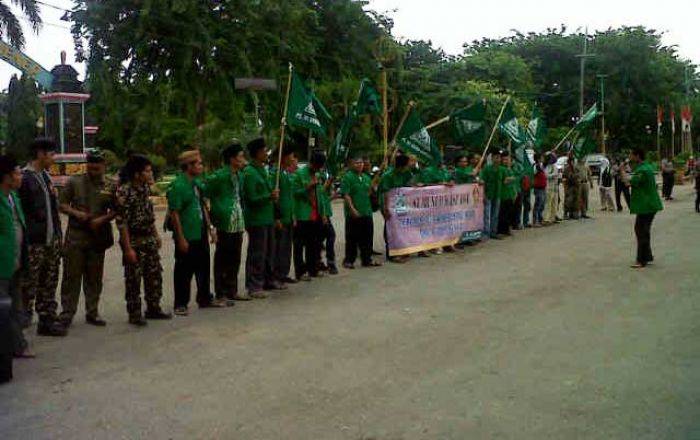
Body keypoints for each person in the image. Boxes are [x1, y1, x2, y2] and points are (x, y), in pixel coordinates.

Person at [58, 149, 115, 328]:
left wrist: (102, 219)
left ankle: (92, 311)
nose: (93, 172)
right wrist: (76, 213)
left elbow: (117, 209)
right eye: (90, 168)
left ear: (104, 167)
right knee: (71, 276)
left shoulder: (110, 185)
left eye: (97, 169)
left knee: (94, 277)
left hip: (97, 237)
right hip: (76, 236)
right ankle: (67, 312)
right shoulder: (74, 182)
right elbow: (61, 204)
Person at [115, 154, 171, 326]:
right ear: (137, 174)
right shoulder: (125, 192)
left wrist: (155, 234)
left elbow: (149, 215)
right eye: (147, 171)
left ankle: (153, 307)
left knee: (154, 275)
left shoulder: (145, 189)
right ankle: (135, 313)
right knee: (133, 279)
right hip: (134, 240)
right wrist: (128, 248)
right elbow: (122, 222)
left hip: (148, 239)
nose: (151, 173)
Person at [18, 138, 66, 336]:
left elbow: (53, 210)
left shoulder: (45, 177)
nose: (54, 158)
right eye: (51, 154)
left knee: (49, 280)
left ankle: (47, 319)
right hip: (34, 242)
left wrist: (57, 235)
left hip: (50, 240)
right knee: (28, 285)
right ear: (40, 154)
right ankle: (20, 327)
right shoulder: (24, 178)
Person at [168, 150, 220, 314]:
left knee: (203, 266)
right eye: (198, 163)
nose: (201, 166)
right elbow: (174, 214)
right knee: (184, 270)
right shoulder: (178, 185)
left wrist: (211, 228)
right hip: (187, 234)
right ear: (188, 166)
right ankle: (180, 303)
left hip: (200, 232)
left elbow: (203, 205)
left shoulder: (196, 183)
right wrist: (181, 238)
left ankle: (204, 297)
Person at [0, 155, 34, 383]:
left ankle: (16, 347)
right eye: (17, 173)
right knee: (3, 311)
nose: (21, 176)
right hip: (2, 263)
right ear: (6, 177)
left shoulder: (13, 197)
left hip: (16, 262)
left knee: (15, 308)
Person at [203, 142, 248, 304]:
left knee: (235, 256)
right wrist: (212, 212)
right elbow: (205, 191)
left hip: (237, 219)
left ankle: (232, 289)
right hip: (224, 219)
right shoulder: (220, 176)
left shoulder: (239, 175)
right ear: (232, 159)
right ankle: (220, 292)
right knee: (223, 256)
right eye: (240, 156)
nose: (243, 159)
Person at [241, 138, 281, 297]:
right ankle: (254, 286)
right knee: (257, 253)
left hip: (268, 217)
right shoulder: (249, 173)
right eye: (264, 151)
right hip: (256, 219)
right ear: (257, 153)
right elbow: (250, 198)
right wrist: (268, 197)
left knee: (268, 252)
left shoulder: (263, 169)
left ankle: (267, 280)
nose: (267, 154)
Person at [627, 148, 663, 269]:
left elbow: (628, 182)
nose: (629, 157)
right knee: (644, 231)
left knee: (641, 230)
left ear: (637, 156)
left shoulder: (642, 170)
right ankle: (647, 256)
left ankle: (641, 259)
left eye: (631, 155)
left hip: (646, 205)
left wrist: (621, 171)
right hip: (650, 204)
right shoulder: (647, 166)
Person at [342, 156, 381, 269]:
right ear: (351, 164)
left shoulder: (365, 177)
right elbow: (346, 195)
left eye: (361, 163)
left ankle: (366, 259)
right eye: (356, 163)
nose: (359, 165)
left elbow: (369, 191)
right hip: (353, 213)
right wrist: (352, 209)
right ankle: (349, 260)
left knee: (367, 237)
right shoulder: (348, 177)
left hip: (366, 211)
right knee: (352, 238)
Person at [292, 151, 326, 280]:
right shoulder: (299, 174)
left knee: (315, 244)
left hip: (316, 214)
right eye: (317, 166)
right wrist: (308, 187)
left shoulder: (317, 175)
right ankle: (300, 272)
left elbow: (320, 195)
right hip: (303, 215)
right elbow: (294, 193)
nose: (318, 169)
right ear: (312, 163)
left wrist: (323, 213)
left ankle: (313, 269)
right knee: (300, 245)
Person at [379, 153, 414, 262]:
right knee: (391, 226)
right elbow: (385, 193)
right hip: (388, 203)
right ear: (402, 165)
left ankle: (401, 250)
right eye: (408, 164)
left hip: (400, 203)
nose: (410, 166)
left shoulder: (406, 173)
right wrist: (385, 208)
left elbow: (410, 184)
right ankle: (391, 253)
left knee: (402, 227)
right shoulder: (388, 176)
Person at [270, 149, 295, 286]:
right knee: (278, 248)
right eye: (290, 155)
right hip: (280, 217)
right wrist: (277, 217)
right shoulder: (275, 174)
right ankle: (276, 275)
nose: (292, 158)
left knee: (286, 247)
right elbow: (274, 199)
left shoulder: (286, 173)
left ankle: (284, 273)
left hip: (289, 216)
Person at [317, 167, 338, 274]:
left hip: (325, 213)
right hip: (320, 214)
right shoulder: (316, 177)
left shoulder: (324, 175)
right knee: (330, 236)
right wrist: (328, 182)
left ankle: (321, 261)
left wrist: (332, 196)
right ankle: (329, 262)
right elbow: (319, 193)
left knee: (322, 238)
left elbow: (325, 197)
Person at [479, 151, 504, 239]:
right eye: (496, 157)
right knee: (487, 215)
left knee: (495, 215)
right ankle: (486, 232)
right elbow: (482, 181)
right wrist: (484, 194)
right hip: (488, 194)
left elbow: (506, 179)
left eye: (499, 158)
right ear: (492, 158)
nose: (498, 160)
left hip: (497, 194)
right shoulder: (487, 169)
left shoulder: (502, 169)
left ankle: (493, 232)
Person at [497, 152, 517, 237]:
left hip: (510, 194)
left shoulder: (509, 169)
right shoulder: (501, 169)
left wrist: (515, 192)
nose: (506, 161)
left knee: (509, 213)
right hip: (502, 194)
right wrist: (510, 178)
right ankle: (501, 230)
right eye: (504, 159)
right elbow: (504, 181)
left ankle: (507, 229)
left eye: (507, 159)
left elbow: (512, 181)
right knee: (502, 214)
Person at [562, 152, 581, 220]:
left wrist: (576, 176)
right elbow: (565, 176)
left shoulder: (575, 168)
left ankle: (574, 213)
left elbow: (579, 174)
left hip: (576, 185)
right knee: (568, 200)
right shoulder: (566, 168)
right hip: (569, 185)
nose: (573, 162)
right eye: (572, 161)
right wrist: (573, 176)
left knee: (576, 200)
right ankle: (566, 213)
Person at [543, 152, 560, 225]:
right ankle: (546, 218)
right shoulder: (546, 166)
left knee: (554, 203)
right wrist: (553, 175)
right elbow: (546, 175)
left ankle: (552, 217)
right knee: (548, 203)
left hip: (555, 187)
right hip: (548, 187)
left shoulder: (554, 166)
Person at [532, 154, 547, 227]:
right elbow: (534, 173)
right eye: (542, 157)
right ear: (538, 159)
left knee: (542, 204)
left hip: (543, 187)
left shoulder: (541, 166)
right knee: (538, 204)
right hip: (538, 188)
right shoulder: (536, 166)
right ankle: (535, 221)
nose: (543, 159)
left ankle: (540, 219)